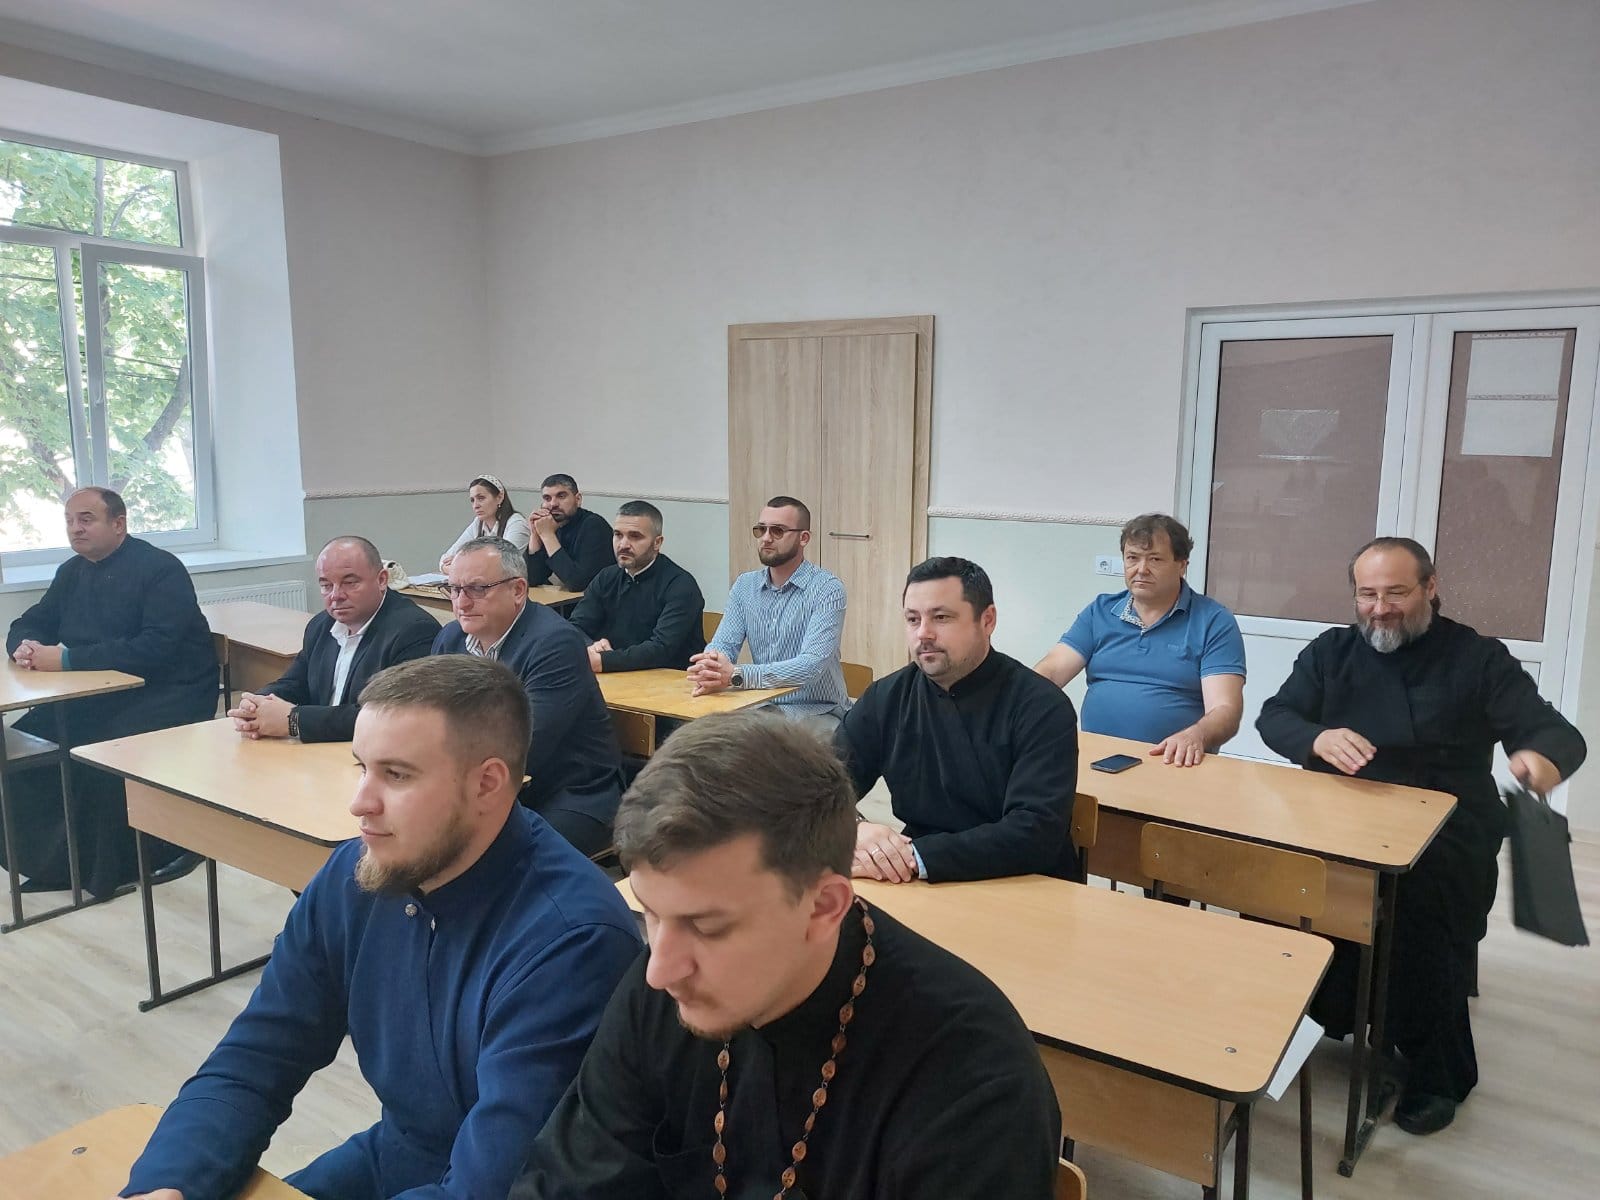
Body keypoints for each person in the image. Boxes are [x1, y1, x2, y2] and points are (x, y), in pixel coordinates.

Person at [116, 656, 642, 1200]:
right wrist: (171, 1181)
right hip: (399, 1154)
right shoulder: (355, 874)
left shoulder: (572, 941)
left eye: (396, 775)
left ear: (487, 784)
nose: (359, 803)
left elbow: (490, 1185)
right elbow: (258, 1054)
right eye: (361, 767)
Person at [509, 712, 1061, 1200]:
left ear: (823, 907)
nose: (660, 970)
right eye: (650, 913)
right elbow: (569, 1182)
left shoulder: (972, 1081)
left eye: (707, 926)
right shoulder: (663, 988)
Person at [1257, 537, 1586, 1136]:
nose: (1380, 609)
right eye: (1368, 594)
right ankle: (1306, 1015)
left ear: (1431, 588)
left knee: (1421, 925)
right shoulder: (1332, 651)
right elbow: (1276, 715)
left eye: (1396, 593)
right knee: (1287, 899)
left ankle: (1438, 1075)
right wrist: (1317, 738)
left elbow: (1554, 732)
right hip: (1343, 819)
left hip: (1447, 826)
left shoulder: (1477, 658)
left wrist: (1537, 761)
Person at [4, 487, 215, 895]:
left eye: (86, 519)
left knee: (98, 756)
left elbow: (155, 648)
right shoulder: (72, 571)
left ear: (118, 524)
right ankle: (55, 863)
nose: (75, 529)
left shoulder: (160, 569)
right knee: (28, 739)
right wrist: (24, 645)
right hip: (98, 690)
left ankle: (132, 859)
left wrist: (66, 660)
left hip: (168, 692)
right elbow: (33, 620)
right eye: (69, 520)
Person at [837, 557, 1080, 884]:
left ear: (987, 620)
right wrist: (855, 827)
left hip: (1026, 881)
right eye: (912, 619)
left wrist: (912, 857)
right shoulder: (886, 697)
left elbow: (1035, 831)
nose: (923, 633)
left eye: (941, 618)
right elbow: (818, 788)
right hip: (918, 880)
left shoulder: (1040, 706)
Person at [432, 536, 623, 857]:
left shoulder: (555, 643)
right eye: (454, 589)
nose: (461, 603)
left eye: (477, 589)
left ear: (518, 590)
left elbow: (527, 742)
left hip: (567, 791)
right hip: (483, 784)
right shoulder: (450, 638)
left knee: (492, 858)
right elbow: (429, 719)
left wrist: (448, 776)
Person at [1035, 513, 1245, 766]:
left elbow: (1225, 709)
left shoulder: (1213, 621)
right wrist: (1011, 704)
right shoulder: (1100, 611)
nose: (1141, 570)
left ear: (1182, 565)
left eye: (1155, 559)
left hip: (1173, 761)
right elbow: (1052, 671)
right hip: (1098, 757)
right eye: (1132, 558)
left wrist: (1196, 735)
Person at [228, 537, 440, 742]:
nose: (336, 595)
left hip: (367, 753)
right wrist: (257, 704)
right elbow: (295, 683)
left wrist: (295, 721)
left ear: (382, 580)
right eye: (326, 585)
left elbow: (388, 716)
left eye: (350, 583)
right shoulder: (321, 625)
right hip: (321, 749)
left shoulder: (414, 631)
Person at [688, 496, 848, 726]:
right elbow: (724, 643)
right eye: (761, 529)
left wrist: (736, 675)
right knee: (702, 733)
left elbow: (811, 666)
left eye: (777, 531)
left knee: (767, 743)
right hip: (761, 704)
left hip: (817, 709)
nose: (766, 538)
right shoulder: (745, 585)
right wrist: (711, 665)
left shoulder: (827, 588)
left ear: (804, 538)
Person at [568, 500, 706, 673]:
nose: (623, 545)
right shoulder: (606, 577)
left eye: (635, 536)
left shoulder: (681, 585)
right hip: (615, 675)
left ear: (657, 543)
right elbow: (575, 627)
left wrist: (604, 661)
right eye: (618, 535)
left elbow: (661, 649)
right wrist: (591, 646)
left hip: (671, 681)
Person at [525, 473, 612, 591]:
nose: (553, 504)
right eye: (547, 498)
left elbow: (577, 583)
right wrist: (535, 534)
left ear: (578, 499)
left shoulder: (594, 525)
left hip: (602, 599)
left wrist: (548, 536)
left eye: (561, 496)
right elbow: (532, 579)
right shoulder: (551, 525)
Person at [439, 474, 530, 571]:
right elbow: (445, 558)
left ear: (499, 497)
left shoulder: (516, 523)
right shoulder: (478, 523)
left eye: (481, 498)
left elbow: (503, 564)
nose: (475, 505)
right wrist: (449, 567)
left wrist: (462, 564)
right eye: (472, 500)